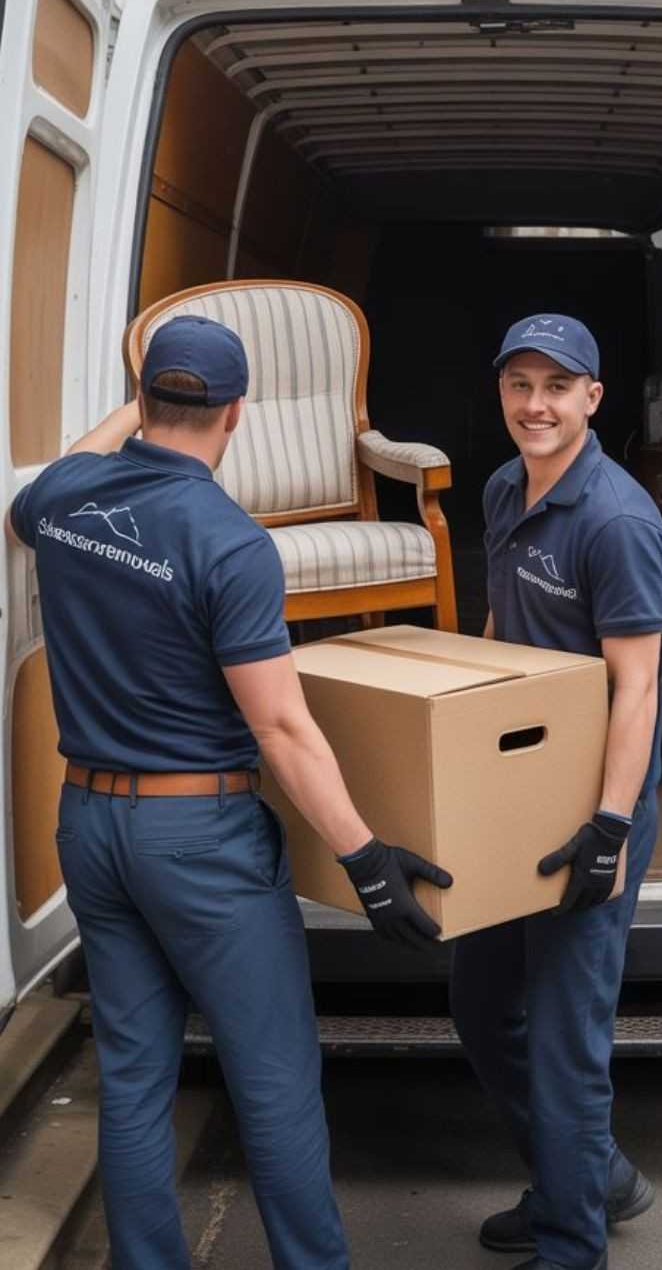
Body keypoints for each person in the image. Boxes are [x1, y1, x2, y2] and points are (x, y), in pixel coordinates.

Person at [6, 314, 451, 1270]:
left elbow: (43, 485)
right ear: (239, 413)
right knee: (275, 1081)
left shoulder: (68, 497)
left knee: (132, 1076)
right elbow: (282, 728)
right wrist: (366, 860)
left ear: (148, 403)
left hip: (89, 823)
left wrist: (131, 416)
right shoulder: (231, 542)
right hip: (197, 837)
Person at [449, 314, 662, 1270]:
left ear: (593, 397)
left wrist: (609, 830)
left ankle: (573, 1243)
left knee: (566, 1042)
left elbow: (639, 685)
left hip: (594, 805)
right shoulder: (503, 488)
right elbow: (505, 621)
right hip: (518, 786)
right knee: (480, 1002)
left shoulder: (618, 521)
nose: (534, 405)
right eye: (518, 385)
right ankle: (586, 1178)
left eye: (556, 386)